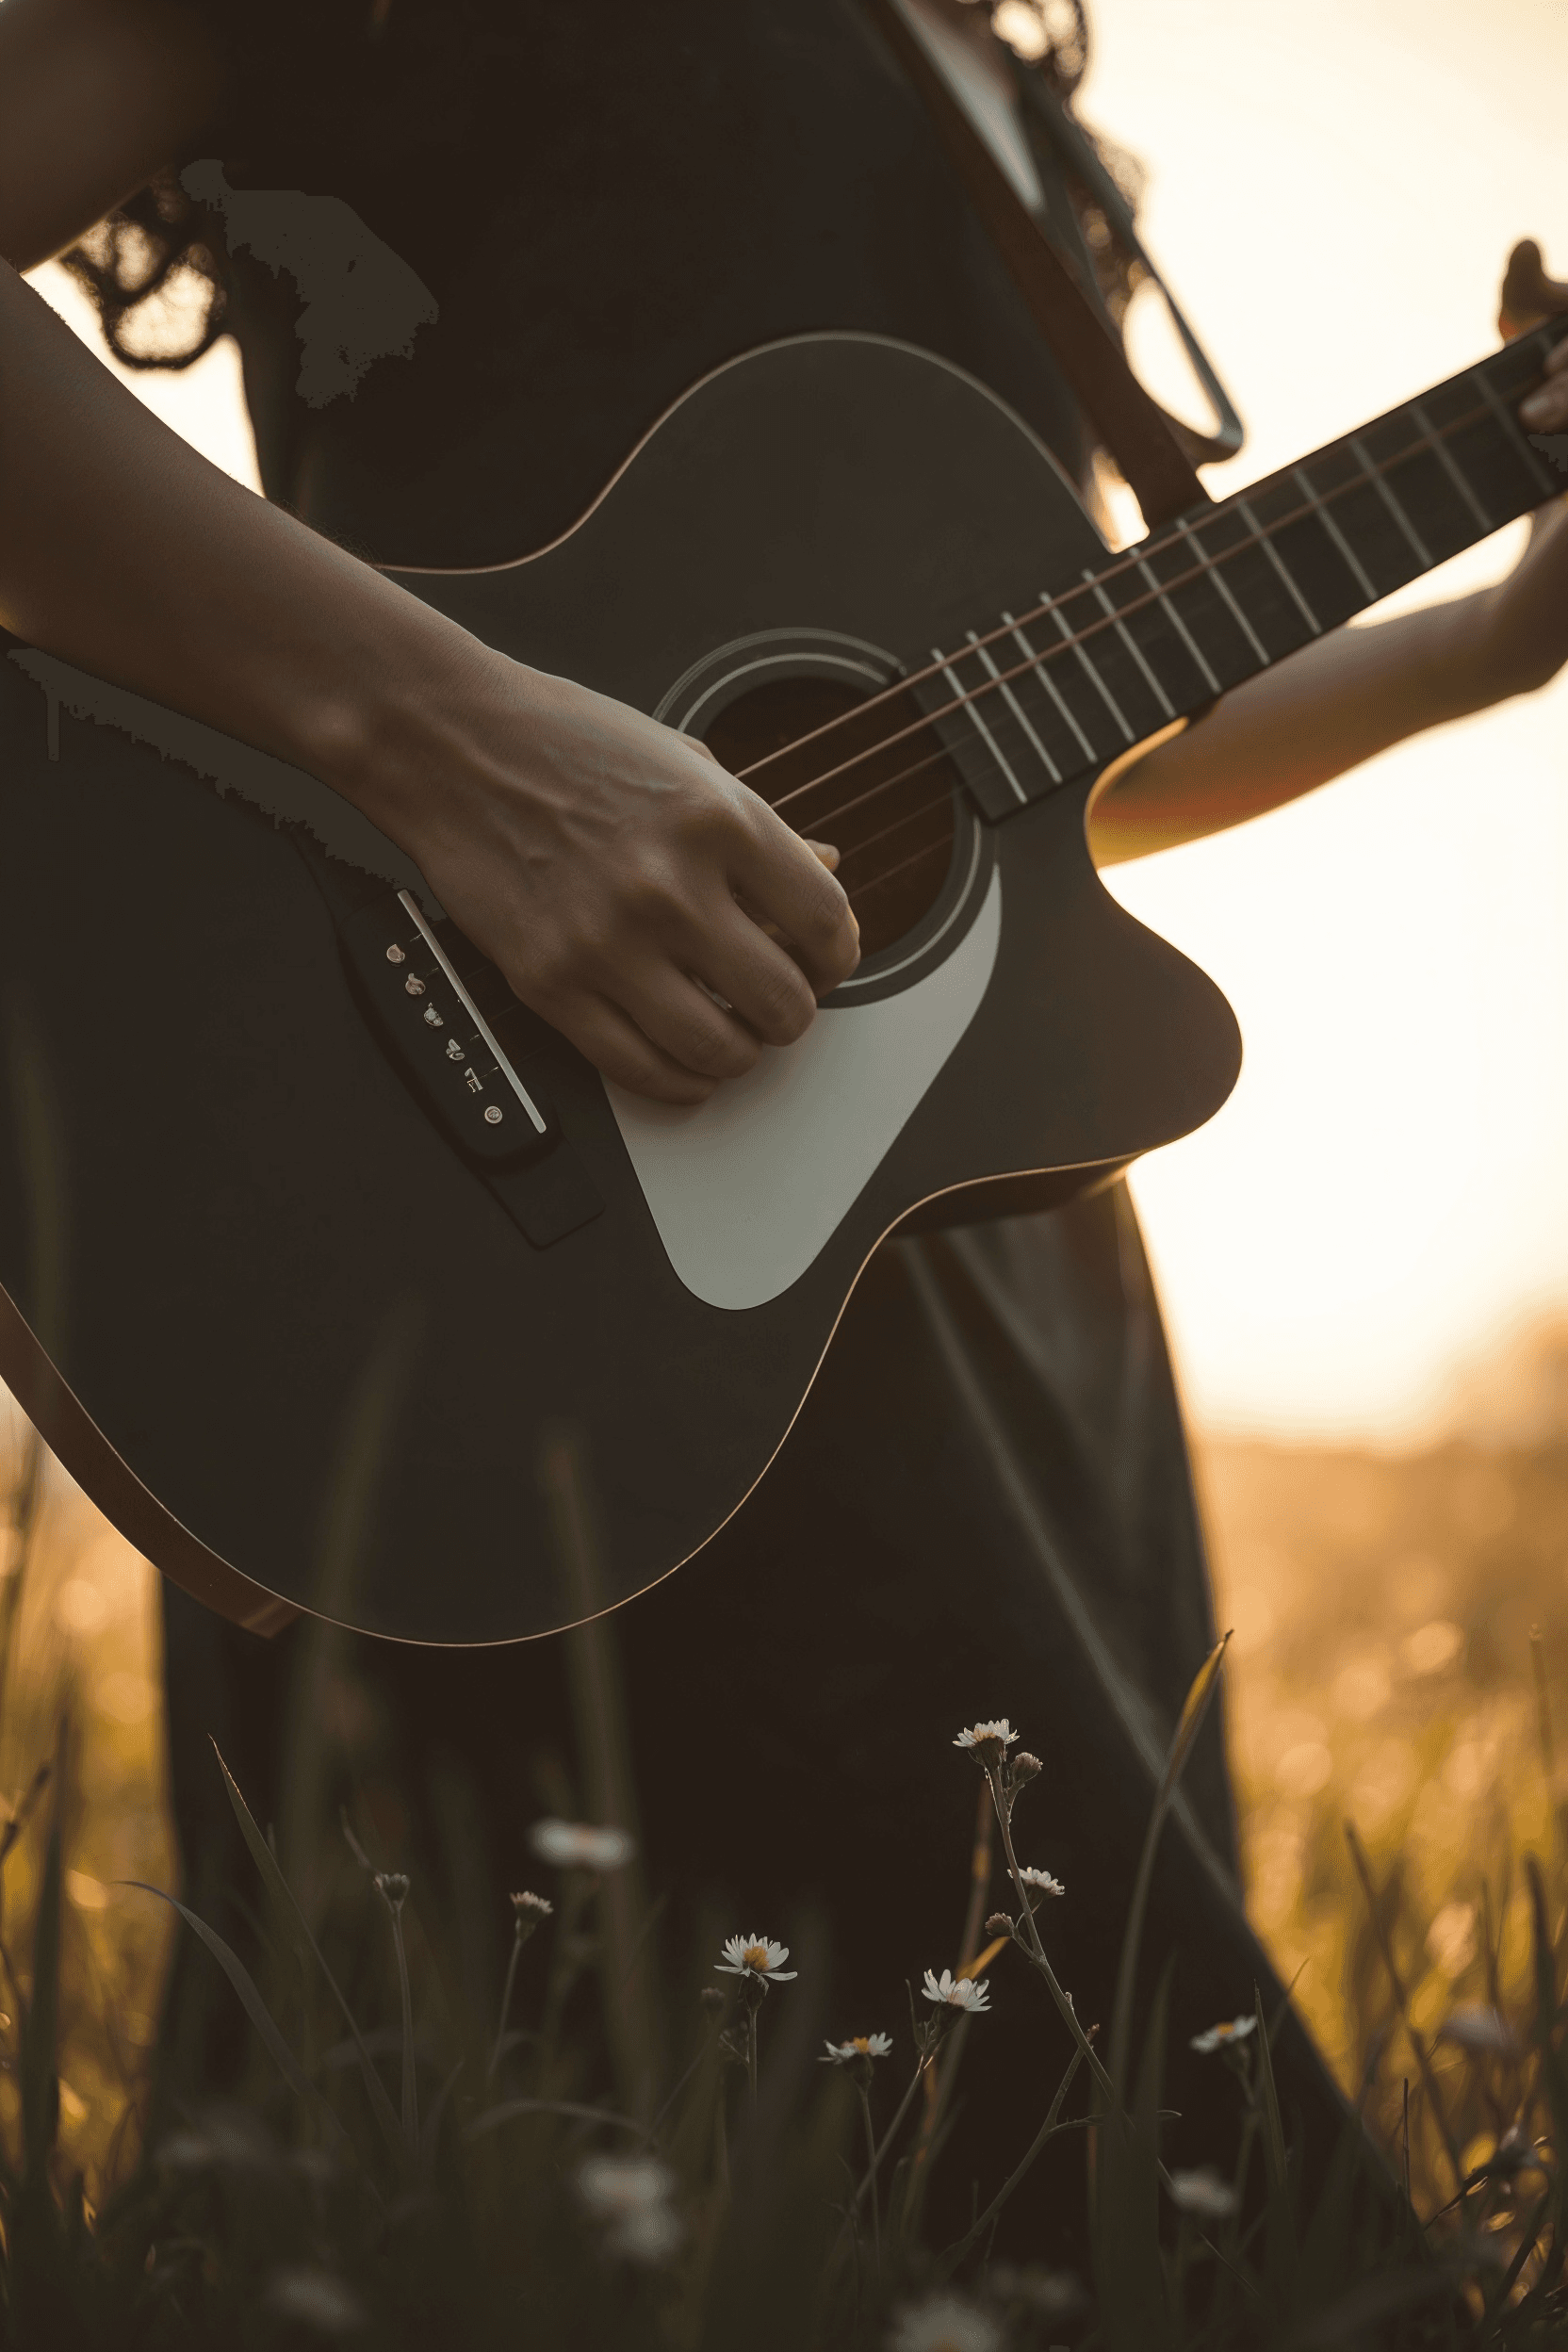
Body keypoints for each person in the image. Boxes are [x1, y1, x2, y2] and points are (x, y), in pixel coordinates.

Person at [1, 0, 1565, 2258]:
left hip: (967, 1264)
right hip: (492, 1234)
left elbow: (1020, 733)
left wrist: (1489, 643)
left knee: (1053, 2210)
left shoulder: (985, 63)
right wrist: (465, 755)